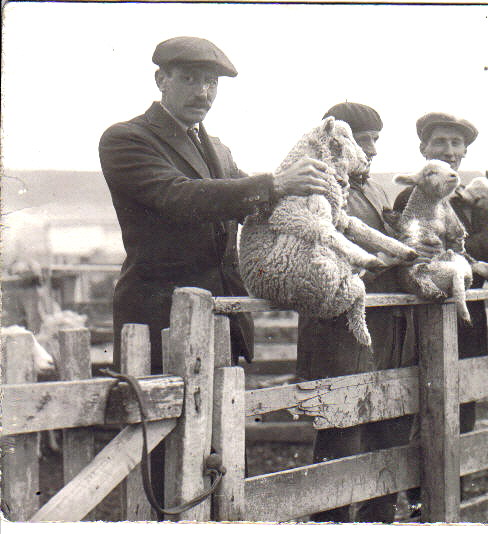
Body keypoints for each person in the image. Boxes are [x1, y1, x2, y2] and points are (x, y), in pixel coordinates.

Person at [99, 36, 331, 510]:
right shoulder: (127, 139)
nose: (203, 91)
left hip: (222, 318)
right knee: (162, 457)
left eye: (211, 83)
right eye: (189, 79)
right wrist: (275, 184)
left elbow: (256, 206)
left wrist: (320, 194)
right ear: (160, 79)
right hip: (160, 317)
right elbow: (178, 196)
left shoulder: (218, 149)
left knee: (216, 448)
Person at [296, 102, 415, 523]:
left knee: (390, 432)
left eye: (375, 141)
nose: (372, 151)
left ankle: (378, 521)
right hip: (339, 331)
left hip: (385, 330)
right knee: (342, 434)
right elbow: (318, 250)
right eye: (364, 141)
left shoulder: (375, 189)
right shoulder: (319, 188)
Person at [394, 112, 488, 433]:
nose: (449, 149)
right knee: (427, 414)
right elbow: (432, 254)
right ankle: (421, 486)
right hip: (430, 315)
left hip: (469, 320)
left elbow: (483, 256)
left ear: (465, 151)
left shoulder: (475, 199)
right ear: (424, 148)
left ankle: (459, 484)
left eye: (457, 142)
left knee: (465, 412)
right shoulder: (412, 195)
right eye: (439, 141)